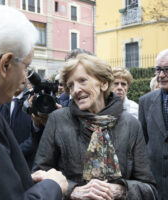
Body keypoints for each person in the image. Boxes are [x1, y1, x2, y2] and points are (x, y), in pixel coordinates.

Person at [0, 5, 68, 200]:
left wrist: (19, 181)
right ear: (5, 64)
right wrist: (52, 186)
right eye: (26, 66)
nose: (26, 78)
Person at [33, 54, 158, 200]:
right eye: (70, 85)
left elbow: (150, 189)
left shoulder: (131, 125)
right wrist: (73, 191)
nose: (76, 90)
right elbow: (38, 175)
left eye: (82, 81)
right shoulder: (58, 120)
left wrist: (121, 190)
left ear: (103, 84)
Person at [139, 49, 168, 200]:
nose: (161, 75)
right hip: (155, 185)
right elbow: (142, 143)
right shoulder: (145, 101)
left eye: (166, 69)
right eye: (158, 69)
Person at [0, 80, 41, 170]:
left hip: (26, 163)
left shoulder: (32, 101)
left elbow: (35, 134)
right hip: (4, 163)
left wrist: (15, 153)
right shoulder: (1, 101)